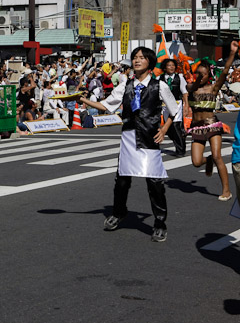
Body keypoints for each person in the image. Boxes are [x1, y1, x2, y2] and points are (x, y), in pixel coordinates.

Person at [73, 47, 178, 242]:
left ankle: (160, 223)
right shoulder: (125, 85)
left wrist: (164, 130)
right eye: (135, 58)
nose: (137, 61)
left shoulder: (159, 85)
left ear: (150, 62)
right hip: (129, 136)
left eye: (142, 58)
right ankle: (119, 212)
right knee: (122, 180)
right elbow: (106, 105)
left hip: (149, 137)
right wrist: (83, 100)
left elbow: (174, 111)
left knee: (154, 182)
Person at [187, 42, 238, 201]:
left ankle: (226, 191)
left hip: (212, 125)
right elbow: (191, 88)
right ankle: (208, 160)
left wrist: (231, 54)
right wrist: (196, 79)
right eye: (198, 74)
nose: (200, 77)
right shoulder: (191, 88)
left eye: (203, 74)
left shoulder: (213, 89)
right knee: (196, 162)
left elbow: (223, 72)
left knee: (217, 156)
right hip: (196, 128)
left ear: (209, 75)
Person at [157, 58, 189, 156]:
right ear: (165, 67)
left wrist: (186, 105)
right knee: (169, 128)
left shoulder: (179, 77)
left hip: (177, 103)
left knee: (176, 126)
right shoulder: (160, 78)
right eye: (169, 65)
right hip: (165, 105)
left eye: (173, 65)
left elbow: (184, 91)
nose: (171, 67)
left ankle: (181, 149)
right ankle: (179, 144)